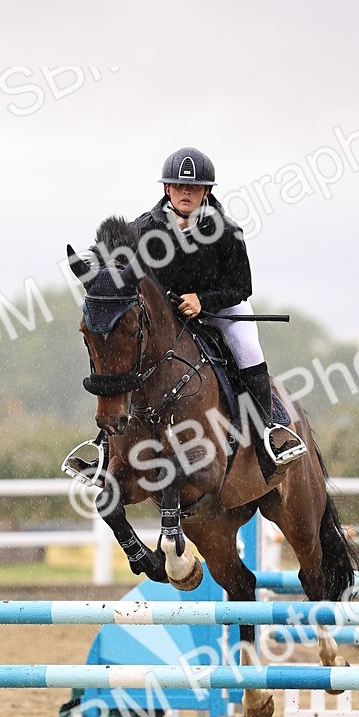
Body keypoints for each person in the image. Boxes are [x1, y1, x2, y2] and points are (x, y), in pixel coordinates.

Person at [132, 146, 307, 475]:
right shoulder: (142, 230)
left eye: (194, 187)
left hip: (221, 309)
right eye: (179, 186)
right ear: (167, 189)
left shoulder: (226, 232)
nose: (186, 193)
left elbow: (241, 288)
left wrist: (202, 300)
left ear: (206, 192)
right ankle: (105, 439)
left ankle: (268, 429)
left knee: (247, 346)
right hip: (167, 317)